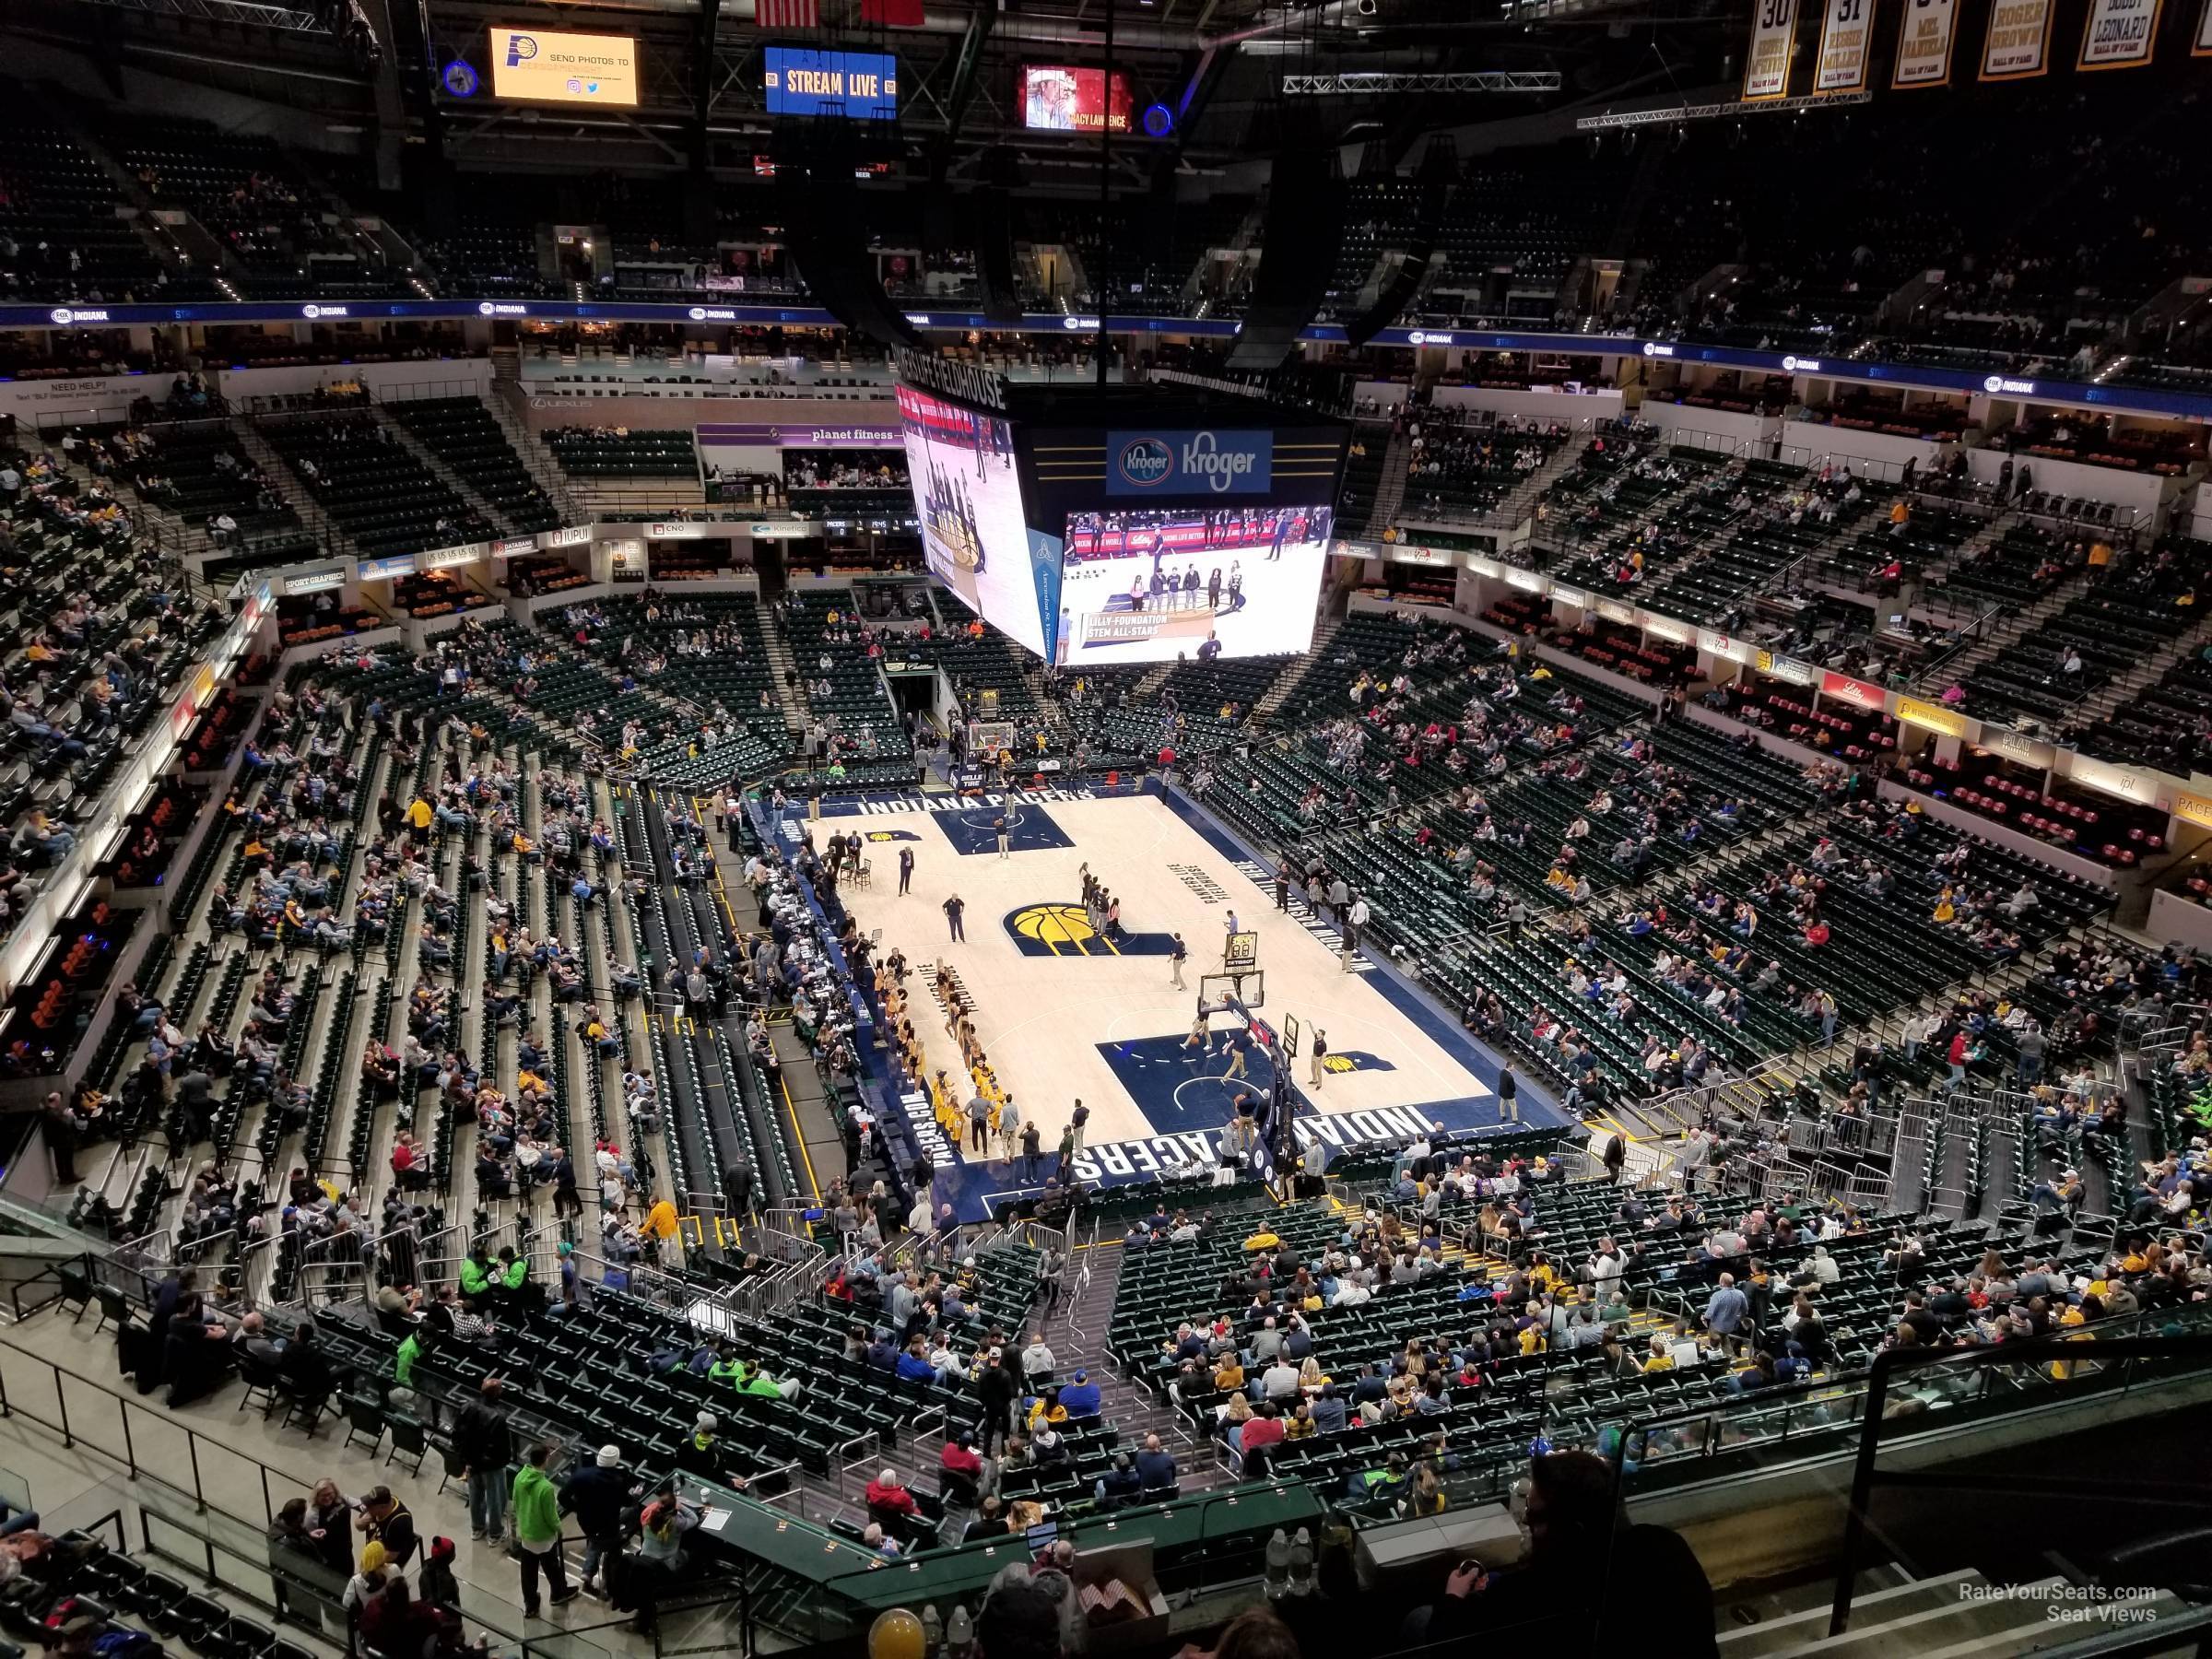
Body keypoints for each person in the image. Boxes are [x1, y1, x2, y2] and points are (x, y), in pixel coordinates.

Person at [1405, 1450, 1716, 1653]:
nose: (1525, 1519)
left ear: (1573, 1532)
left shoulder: (1539, 1591)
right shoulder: (1665, 1546)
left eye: (1535, 1516)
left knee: (1420, 1619)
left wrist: (1453, 1596)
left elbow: (1446, 1639)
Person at [511, 1442, 577, 1618]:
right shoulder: (545, 1487)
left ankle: (531, 1604)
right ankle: (558, 1593)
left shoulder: (519, 1477)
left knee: (528, 1572)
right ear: (545, 1460)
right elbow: (551, 1515)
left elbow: (515, 1500)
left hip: (526, 1531)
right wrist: (559, 1528)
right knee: (552, 1566)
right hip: (543, 1536)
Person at [562, 1445, 634, 1600]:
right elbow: (628, 1502)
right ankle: (609, 1586)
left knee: (595, 1541)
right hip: (608, 1524)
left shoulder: (580, 1475)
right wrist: (634, 1495)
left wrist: (577, 1508)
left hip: (586, 1521)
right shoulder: (617, 1481)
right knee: (613, 1551)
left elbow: (562, 1497)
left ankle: (588, 1575)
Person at [456, 1376, 513, 1542]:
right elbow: (503, 1446)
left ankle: (477, 1528)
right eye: (500, 1389)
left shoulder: (467, 1406)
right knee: (495, 1500)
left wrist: (464, 1457)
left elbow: (457, 1434)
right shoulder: (498, 1417)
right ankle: (495, 1533)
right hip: (491, 1467)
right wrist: (502, 1462)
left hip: (471, 1462)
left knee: (475, 1497)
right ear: (497, 1394)